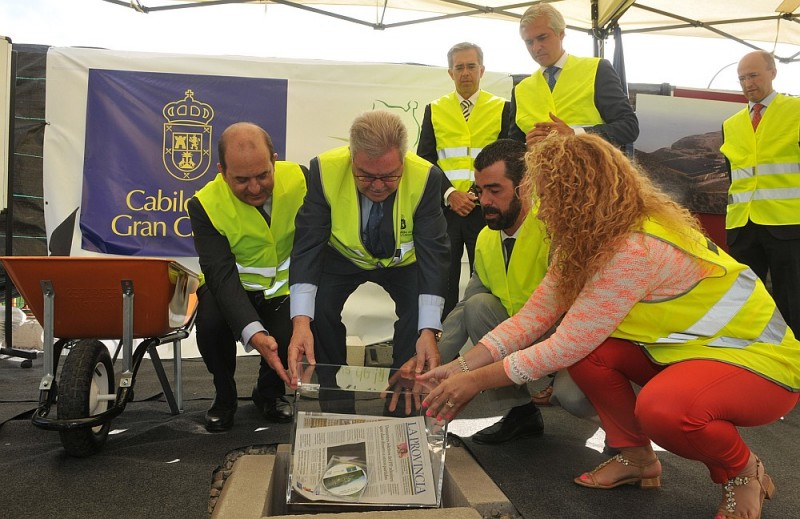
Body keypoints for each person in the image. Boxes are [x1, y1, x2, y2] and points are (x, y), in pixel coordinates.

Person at [421, 133, 800, 519]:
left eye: (548, 198)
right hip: (691, 353)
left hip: (758, 364)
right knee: (593, 355)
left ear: (578, 197)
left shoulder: (634, 248)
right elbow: (533, 317)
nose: (540, 212)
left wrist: (474, 381)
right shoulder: (587, 239)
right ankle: (637, 458)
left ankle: (742, 471)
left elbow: (564, 344)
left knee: (663, 410)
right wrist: (461, 367)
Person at [287, 110, 449, 387]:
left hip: (404, 264)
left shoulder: (426, 177)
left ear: (403, 160)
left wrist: (429, 330)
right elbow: (307, 245)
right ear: (351, 158)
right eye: (364, 175)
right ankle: (333, 394)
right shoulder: (324, 170)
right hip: (342, 258)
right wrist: (300, 323)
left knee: (417, 321)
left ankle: (403, 396)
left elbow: (434, 255)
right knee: (318, 310)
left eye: (389, 176)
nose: (377, 186)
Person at [433, 138, 555, 444]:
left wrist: (465, 372)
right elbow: (465, 309)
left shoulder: (554, 229)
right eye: (479, 191)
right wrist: (431, 365)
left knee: (574, 396)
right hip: (517, 336)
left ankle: (626, 438)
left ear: (525, 186)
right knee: (477, 305)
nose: (484, 201)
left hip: (565, 341)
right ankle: (521, 413)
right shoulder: (486, 238)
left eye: (494, 190)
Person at [188, 122, 305, 432]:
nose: (254, 188)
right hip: (229, 290)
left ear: (274, 161)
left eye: (263, 175)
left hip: (281, 290)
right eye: (241, 180)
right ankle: (224, 397)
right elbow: (220, 274)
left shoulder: (301, 179)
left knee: (288, 333)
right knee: (210, 326)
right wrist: (253, 332)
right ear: (222, 172)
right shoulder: (204, 204)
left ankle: (269, 394)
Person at [417, 42, 511, 319]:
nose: (466, 73)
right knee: (443, 279)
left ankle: (487, 336)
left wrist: (475, 193)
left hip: (487, 210)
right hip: (446, 211)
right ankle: (443, 337)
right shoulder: (435, 109)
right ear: (450, 73)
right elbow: (425, 160)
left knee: (487, 279)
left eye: (471, 66)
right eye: (459, 67)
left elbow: (508, 156)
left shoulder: (503, 108)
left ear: (482, 70)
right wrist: (450, 194)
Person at [720, 50, 800, 337]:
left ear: (773, 72)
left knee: (792, 299)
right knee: (744, 300)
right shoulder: (730, 124)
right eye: (742, 78)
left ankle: (794, 355)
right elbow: (733, 176)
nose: (747, 83)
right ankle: (753, 352)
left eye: (753, 75)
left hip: (788, 224)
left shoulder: (796, 111)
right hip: (743, 226)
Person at [509, 3, 638, 149]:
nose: (536, 47)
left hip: (592, 163)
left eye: (542, 38)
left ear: (561, 33)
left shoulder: (597, 70)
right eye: (529, 42)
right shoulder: (519, 91)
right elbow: (512, 148)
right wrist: (526, 146)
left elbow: (629, 127)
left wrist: (575, 134)